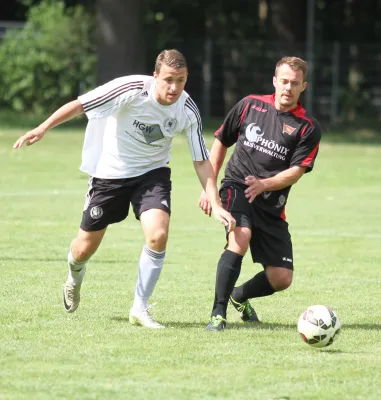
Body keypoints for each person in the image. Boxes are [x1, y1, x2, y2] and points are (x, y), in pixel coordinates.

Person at [13, 49, 235, 329]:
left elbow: (201, 160)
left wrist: (215, 204)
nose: (174, 87)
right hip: (110, 174)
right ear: (155, 76)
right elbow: (81, 104)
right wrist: (43, 127)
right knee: (83, 249)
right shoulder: (130, 89)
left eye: (180, 80)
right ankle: (74, 274)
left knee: (158, 235)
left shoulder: (187, 109)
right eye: (168, 79)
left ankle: (139, 309)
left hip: (152, 174)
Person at [199, 56, 322, 331]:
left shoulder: (308, 127)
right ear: (275, 81)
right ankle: (218, 314)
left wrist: (265, 184)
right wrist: (209, 188)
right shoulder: (250, 105)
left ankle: (238, 295)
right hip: (236, 187)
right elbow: (220, 141)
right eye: (284, 81)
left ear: (304, 86)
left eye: (295, 83)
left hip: (271, 203)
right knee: (240, 237)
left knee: (281, 278)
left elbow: (297, 171)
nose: (288, 88)